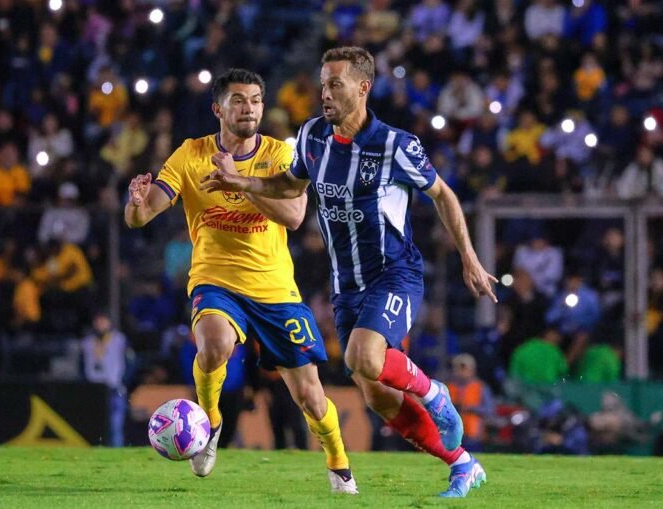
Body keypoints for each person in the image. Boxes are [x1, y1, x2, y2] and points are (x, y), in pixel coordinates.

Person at [201, 47, 496, 498]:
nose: (325, 93)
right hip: (347, 285)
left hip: (394, 274)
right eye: (323, 84)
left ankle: (433, 393)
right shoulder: (313, 136)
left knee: (363, 356)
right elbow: (291, 185)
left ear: (362, 88)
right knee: (375, 394)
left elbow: (443, 194)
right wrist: (243, 182)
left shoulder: (395, 144)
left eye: (335, 85)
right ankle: (461, 463)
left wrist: (469, 258)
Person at [125, 69, 357, 494]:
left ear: (262, 108)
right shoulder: (191, 154)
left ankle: (339, 464)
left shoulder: (280, 155)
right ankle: (210, 423)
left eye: (254, 100)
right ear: (218, 109)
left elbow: (294, 216)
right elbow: (141, 216)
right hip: (215, 280)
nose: (248, 107)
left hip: (275, 289)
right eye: (237, 100)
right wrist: (136, 204)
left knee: (310, 396)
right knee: (214, 344)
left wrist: (240, 183)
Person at [81, 310, 128, 447]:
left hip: (114, 387)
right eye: (98, 321)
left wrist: (123, 381)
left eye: (103, 320)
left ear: (109, 322)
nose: (100, 324)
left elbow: (129, 362)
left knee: (115, 425)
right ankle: (94, 450)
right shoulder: (87, 342)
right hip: (94, 388)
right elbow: (81, 364)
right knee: (94, 424)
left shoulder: (119, 340)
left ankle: (117, 452)